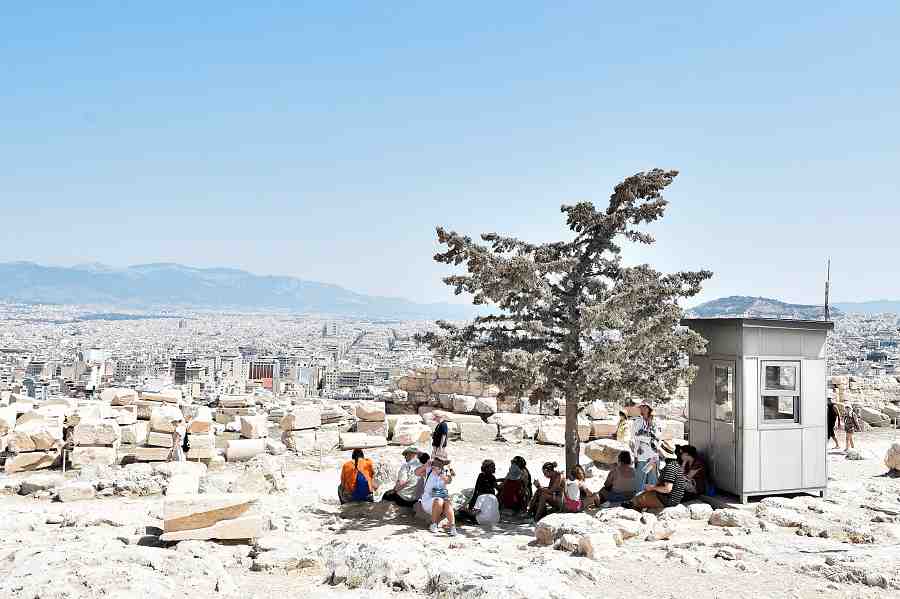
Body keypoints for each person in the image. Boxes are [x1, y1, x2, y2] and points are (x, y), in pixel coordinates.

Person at [629, 440, 686, 510]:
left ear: (663, 452)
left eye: (659, 450)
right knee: (641, 495)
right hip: (670, 498)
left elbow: (667, 489)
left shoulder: (670, 467)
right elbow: (664, 480)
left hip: (668, 500)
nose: (658, 452)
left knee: (636, 499)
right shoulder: (673, 464)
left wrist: (652, 488)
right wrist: (654, 469)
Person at [420, 457, 458, 536]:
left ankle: (452, 527)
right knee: (439, 500)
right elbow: (416, 472)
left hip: (441, 497)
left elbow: (448, 481)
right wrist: (425, 466)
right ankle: (434, 524)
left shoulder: (445, 472)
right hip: (428, 500)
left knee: (448, 503)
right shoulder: (429, 470)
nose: (436, 465)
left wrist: (440, 474)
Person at [630, 401, 662, 493]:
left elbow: (657, 435)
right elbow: (634, 435)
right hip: (641, 454)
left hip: (653, 454)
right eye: (641, 407)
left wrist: (643, 436)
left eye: (644, 407)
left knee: (652, 477)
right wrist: (648, 438)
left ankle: (652, 496)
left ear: (648, 408)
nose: (642, 409)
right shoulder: (637, 421)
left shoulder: (656, 421)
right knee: (640, 477)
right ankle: (638, 497)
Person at [458, 460, 501, 525]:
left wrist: (466, 509)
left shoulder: (481, 477)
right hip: (496, 519)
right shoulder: (492, 479)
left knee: (463, 511)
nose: (495, 468)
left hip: (482, 519)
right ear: (487, 468)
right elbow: (497, 488)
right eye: (493, 467)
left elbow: (476, 490)